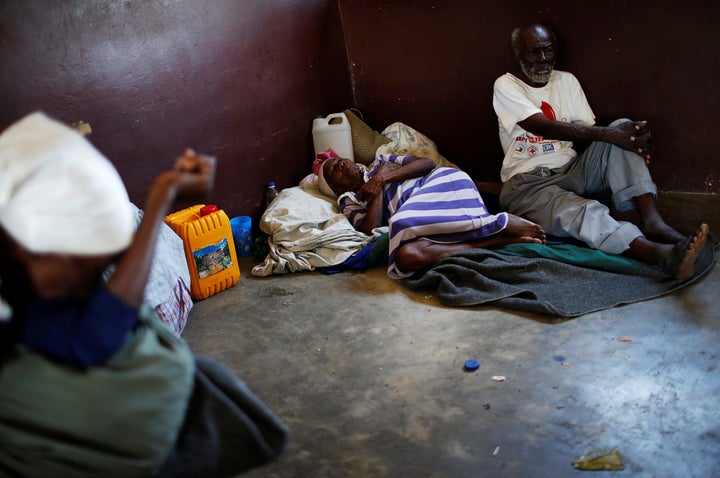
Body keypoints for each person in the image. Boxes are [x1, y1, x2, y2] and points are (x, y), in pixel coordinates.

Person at [0, 112, 288, 477]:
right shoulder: (30, 333)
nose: (79, 256)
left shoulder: (52, 282)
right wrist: (159, 201)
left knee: (211, 380)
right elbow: (108, 320)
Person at [492, 23, 709, 280]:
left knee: (620, 129)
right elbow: (542, 126)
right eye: (533, 52)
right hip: (528, 185)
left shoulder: (566, 81)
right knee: (586, 210)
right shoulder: (506, 85)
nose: (542, 59)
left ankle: (654, 223)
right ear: (518, 54)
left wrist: (628, 139)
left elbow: (588, 133)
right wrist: (612, 136)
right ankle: (661, 255)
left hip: (572, 173)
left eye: (548, 51)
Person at [316, 153, 547, 278]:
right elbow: (369, 229)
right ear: (337, 189)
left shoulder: (382, 161)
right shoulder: (348, 200)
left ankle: (497, 223)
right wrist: (378, 186)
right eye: (332, 170)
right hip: (423, 222)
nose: (338, 163)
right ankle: (496, 238)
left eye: (338, 160)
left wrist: (383, 176)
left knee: (400, 222)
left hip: (444, 184)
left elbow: (426, 163)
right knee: (406, 257)